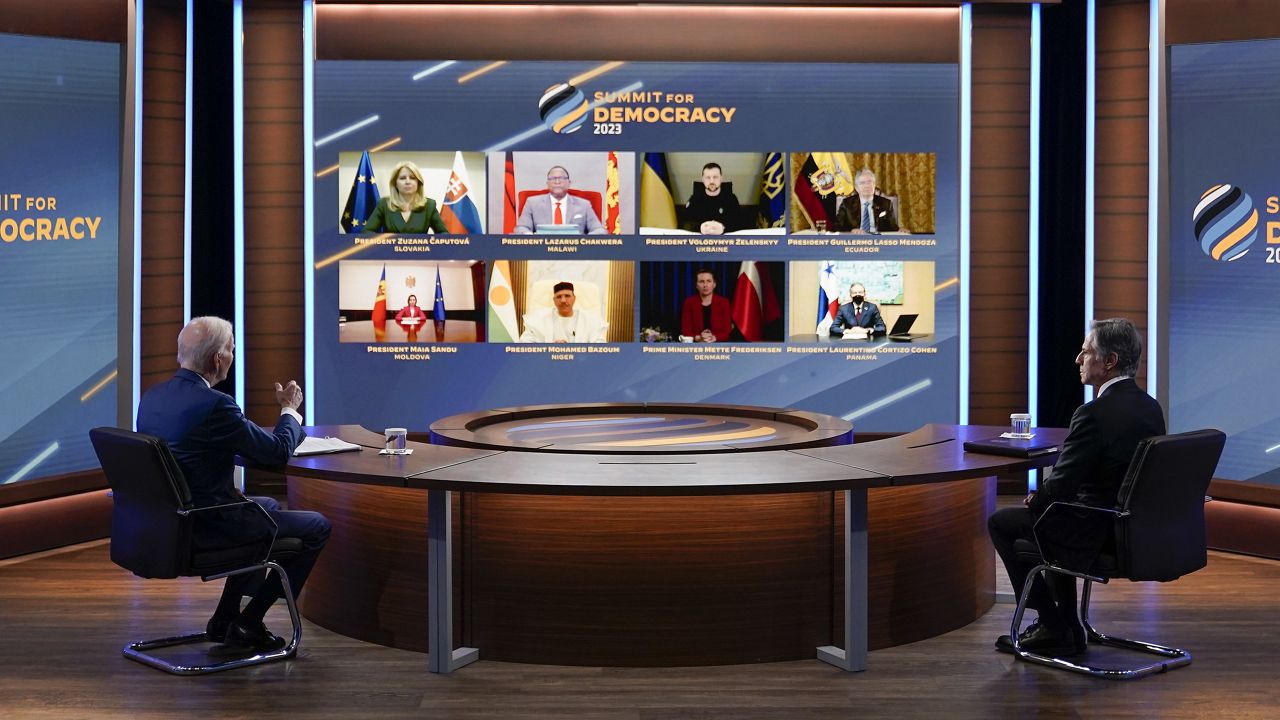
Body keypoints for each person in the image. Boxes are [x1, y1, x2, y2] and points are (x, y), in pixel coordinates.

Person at [135, 316, 330, 652]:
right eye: (232, 350)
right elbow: (275, 453)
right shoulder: (217, 406)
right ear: (218, 359)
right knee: (317, 527)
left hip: (162, 527)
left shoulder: (153, 397)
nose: (232, 356)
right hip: (205, 528)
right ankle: (250, 621)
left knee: (266, 506)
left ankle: (225, 618)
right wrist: (289, 411)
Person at [988, 318, 1165, 657]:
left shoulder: (1093, 413)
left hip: (1095, 530)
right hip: (1133, 528)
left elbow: (1063, 483)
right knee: (1052, 515)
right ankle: (1068, 624)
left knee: (1005, 522)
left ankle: (1054, 623)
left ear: (1109, 361)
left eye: (1086, 352)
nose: (1077, 360)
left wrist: (1038, 498)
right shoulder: (1149, 406)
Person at [513, 166, 607, 234]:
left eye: (561, 178)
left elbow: (599, 229)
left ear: (569, 183)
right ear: (547, 183)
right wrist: (529, 236)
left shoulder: (584, 205)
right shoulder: (532, 203)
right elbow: (521, 228)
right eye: (553, 178)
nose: (557, 182)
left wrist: (587, 240)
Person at [361, 160, 448, 234]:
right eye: (402, 178)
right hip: (390, 253)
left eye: (412, 178)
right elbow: (366, 232)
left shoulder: (429, 205)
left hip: (421, 253)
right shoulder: (384, 204)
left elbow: (444, 234)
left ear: (418, 182)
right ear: (395, 183)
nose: (407, 182)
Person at [518, 281, 608, 343]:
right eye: (559, 297)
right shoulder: (540, 319)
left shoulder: (589, 320)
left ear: (574, 298)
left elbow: (600, 347)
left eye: (567, 296)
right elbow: (524, 344)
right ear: (554, 300)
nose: (563, 300)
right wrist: (550, 348)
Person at [833, 167, 900, 234]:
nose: (867, 186)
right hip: (855, 240)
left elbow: (893, 228)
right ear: (856, 188)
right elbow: (837, 227)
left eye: (870, 182)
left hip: (878, 240)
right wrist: (851, 231)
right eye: (862, 183)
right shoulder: (847, 204)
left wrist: (900, 231)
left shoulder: (886, 204)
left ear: (874, 185)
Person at [682, 163, 742, 235]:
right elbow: (685, 223)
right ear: (703, 179)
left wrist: (723, 228)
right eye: (708, 177)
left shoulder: (731, 199)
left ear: (721, 178)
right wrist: (699, 227)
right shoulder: (695, 199)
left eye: (715, 177)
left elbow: (739, 223)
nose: (711, 181)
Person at [680, 268, 732, 342]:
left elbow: (727, 331)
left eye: (709, 281)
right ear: (696, 285)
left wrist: (714, 338)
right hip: (696, 345)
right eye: (701, 282)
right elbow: (686, 331)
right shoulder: (689, 302)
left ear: (714, 284)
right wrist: (699, 338)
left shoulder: (724, 302)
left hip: (718, 346)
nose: (705, 285)